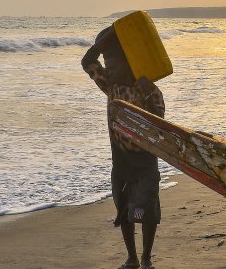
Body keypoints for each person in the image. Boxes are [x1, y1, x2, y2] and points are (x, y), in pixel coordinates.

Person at [82, 26, 165, 269]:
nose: (110, 69)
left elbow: (159, 117)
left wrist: (147, 88)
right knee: (124, 210)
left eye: (115, 64)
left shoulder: (147, 89)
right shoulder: (109, 85)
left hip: (146, 160)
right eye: (108, 64)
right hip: (120, 161)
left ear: (131, 63)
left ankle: (147, 258)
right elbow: (87, 61)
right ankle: (132, 258)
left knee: (147, 211)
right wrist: (103, 44)